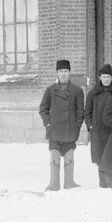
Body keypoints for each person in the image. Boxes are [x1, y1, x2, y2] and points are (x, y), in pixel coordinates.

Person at [39, 59, 84, 191]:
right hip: (54, 131)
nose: (63, 74)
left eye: (66, 71)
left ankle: (69, 183)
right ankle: (54, 184)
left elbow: (80, 112)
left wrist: (76, 127)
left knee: (69, 157)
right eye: (61, 71)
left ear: (69, 73)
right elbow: (43, 109)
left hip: (70, 130)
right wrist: (48, 124)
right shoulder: (51, 90)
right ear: (57, 73)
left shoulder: (77, 90)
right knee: (55, 158)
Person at [84, 63, 112, 188]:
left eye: (109, 77)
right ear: (100, 78)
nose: (106, 79)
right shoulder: (93, 93)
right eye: (104, 77)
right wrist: (90, 126)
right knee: (100, 158)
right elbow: (87, 112)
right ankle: (103, 184)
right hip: (97, 131)